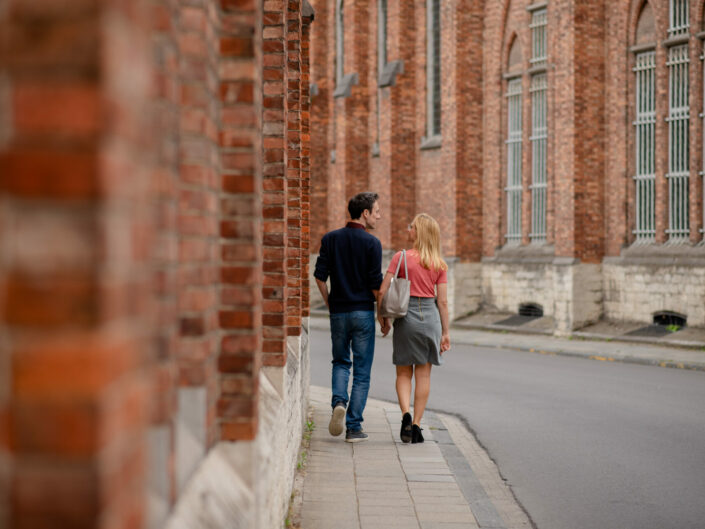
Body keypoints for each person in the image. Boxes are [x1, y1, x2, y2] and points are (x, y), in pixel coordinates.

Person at [314, 192, 390, 443]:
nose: (379, 216)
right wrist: (382, 315)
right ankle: (354, 427)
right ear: (365, 213)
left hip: (338, 312)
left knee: (340, 362)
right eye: (376, 211)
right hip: (363, 313)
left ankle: (338, 401)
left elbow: (319, 276)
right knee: (362, 372)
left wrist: (328, 301)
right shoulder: (372, 244)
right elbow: (375, 286)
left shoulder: (330, 239)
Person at [377, 213, 450, 444]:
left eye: (412, 227)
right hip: (430, 318)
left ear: (419, 233)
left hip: (405, 317)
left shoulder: (400, 258)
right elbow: (443, 302)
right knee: (424, 373)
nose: (408, 230)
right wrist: (446, 332)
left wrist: (383, 317)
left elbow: (382, 290)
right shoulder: (439, 263)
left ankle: (405, 414)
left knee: (403, 372)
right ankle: (417, 425)